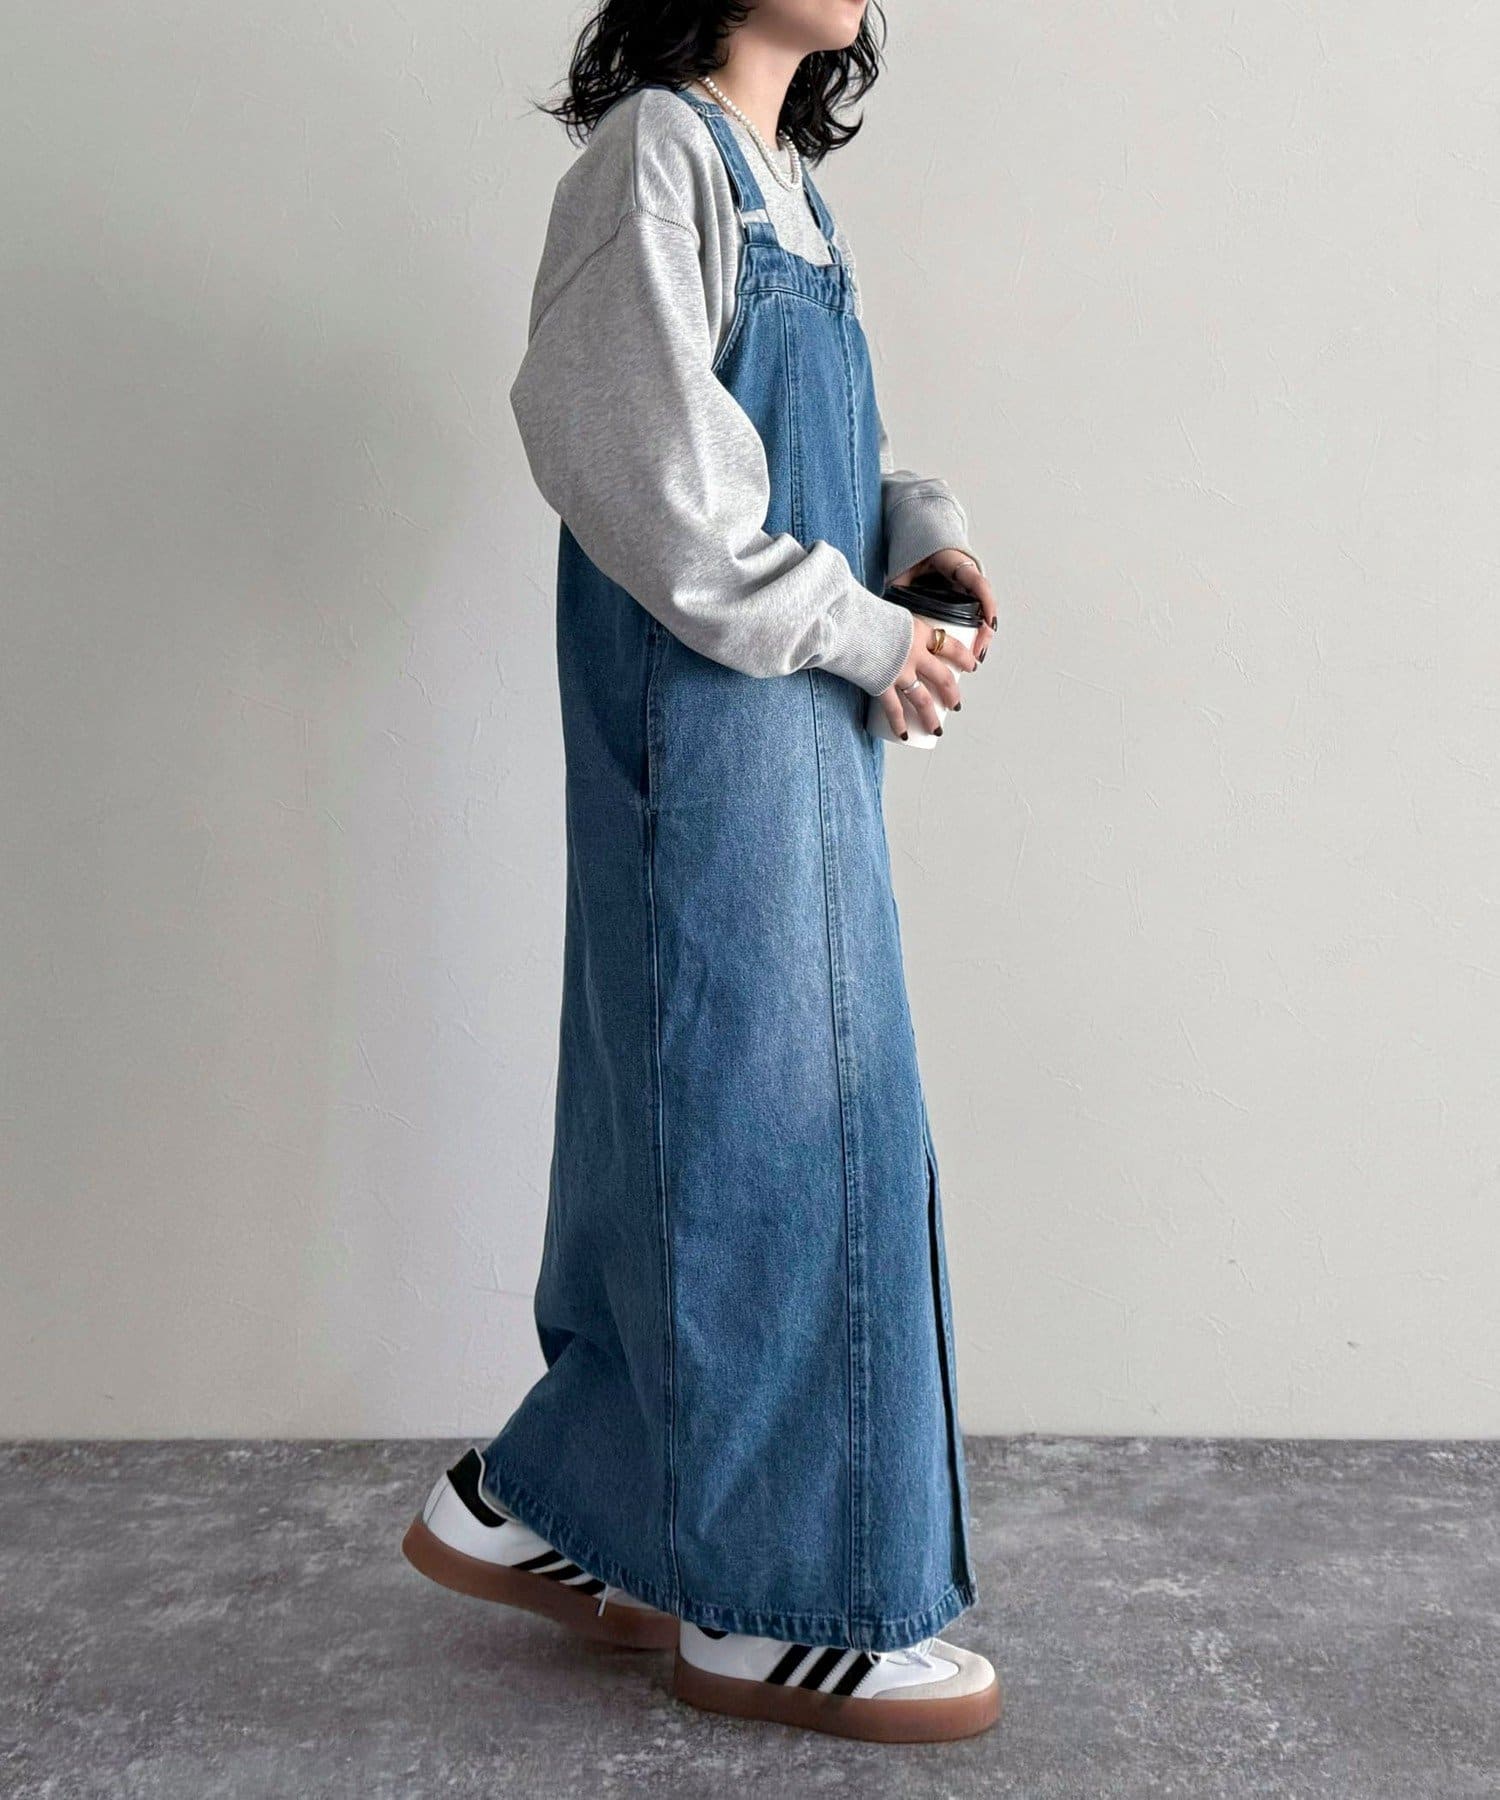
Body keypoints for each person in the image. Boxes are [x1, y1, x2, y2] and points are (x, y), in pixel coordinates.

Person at [402, 0, 1002, 1744]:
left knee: (701, 1113)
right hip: (722, 716)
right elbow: (650, 476)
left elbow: (791, 463)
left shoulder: (786, 184)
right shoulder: (658, 155)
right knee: (781, 1131)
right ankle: (774, 1605)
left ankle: (573, 1506)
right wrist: (860, 629)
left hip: (790, 716)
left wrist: (919, 544)